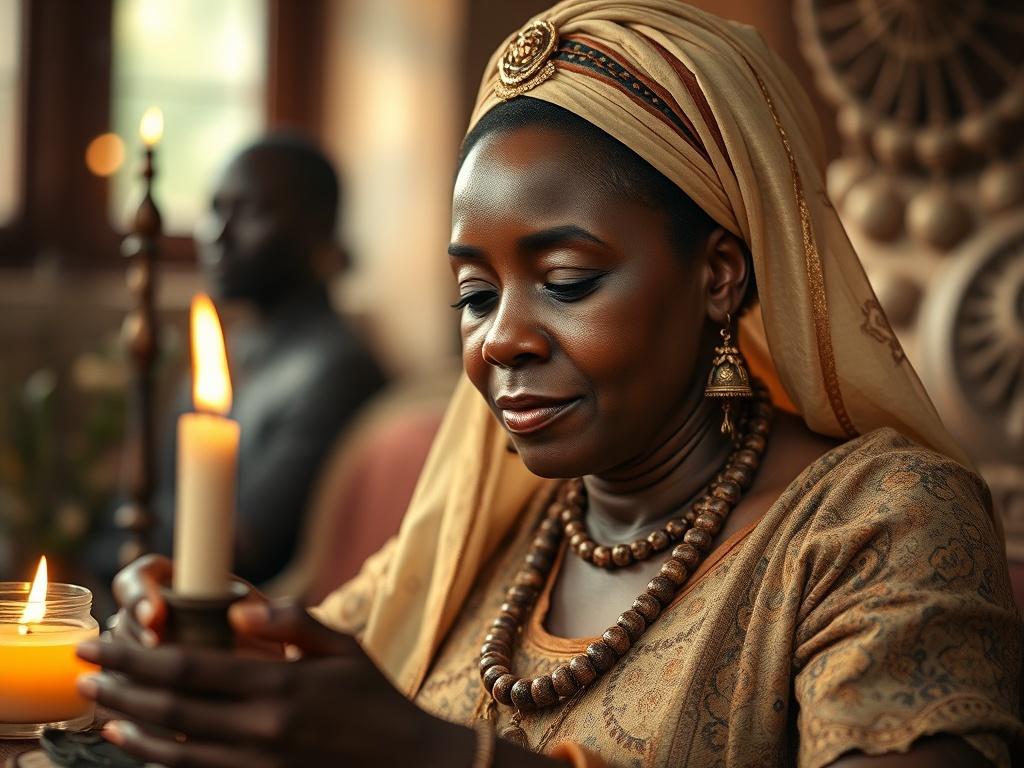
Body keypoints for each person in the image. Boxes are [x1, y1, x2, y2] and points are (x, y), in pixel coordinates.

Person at [76, 2, 1022, 766]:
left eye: (567, 281)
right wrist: (208, 648)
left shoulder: (879, 524)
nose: (502, 341)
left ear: (720, 276)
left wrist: (433, 757)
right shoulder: (499, 525)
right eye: (474, 294)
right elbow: (311, 675)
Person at [152, 135, 387, 585]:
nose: (218, 235)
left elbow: (248, 546)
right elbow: (160, 492)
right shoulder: (233, 348)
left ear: (316, 226)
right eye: (216, 210)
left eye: (249, 212)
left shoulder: (337, 370)